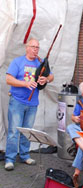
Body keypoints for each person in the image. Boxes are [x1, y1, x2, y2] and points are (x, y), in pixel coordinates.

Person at [5, 38, 54, 171]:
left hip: (32, 103)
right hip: (17, 101)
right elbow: (8, 79)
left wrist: (46, 79)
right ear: (27, 47)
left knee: (27, 131)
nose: (35, 50)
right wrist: (25, 83)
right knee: (14, 131)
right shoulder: (18, 62)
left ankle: (25, 155)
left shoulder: (40, 63)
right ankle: (10, 158)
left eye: (37, 47)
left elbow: (51, 76)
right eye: (33, 47)